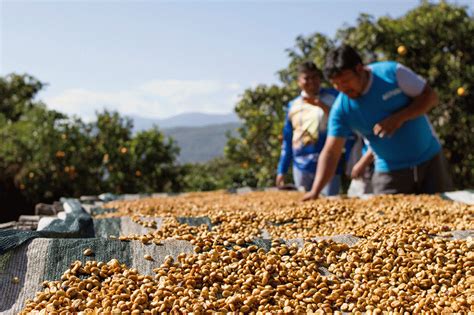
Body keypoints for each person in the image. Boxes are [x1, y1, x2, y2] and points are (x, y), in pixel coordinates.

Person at [303, 45, 453, 200]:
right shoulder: (341, 109)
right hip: (389, 171)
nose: (343, 89)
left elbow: (430, 97)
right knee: (387, 219)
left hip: (430, 160)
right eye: (336, 84)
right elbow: (331, 152)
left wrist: (399, 118)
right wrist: (315, 191)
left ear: (359, 69)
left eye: (346, 81)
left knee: (444, 214)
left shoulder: (392, 73)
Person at [276, 61, 341, 194]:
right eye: (307, 78)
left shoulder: (334, 97)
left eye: (315, 77)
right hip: (302, 165)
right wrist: (281, 170)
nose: (311, 81)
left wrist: (320, 105)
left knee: (330, 205)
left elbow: (344, 122)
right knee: (304, 205)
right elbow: (288, 139)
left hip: (330, 163)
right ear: (299, 81)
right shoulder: (293, 106)